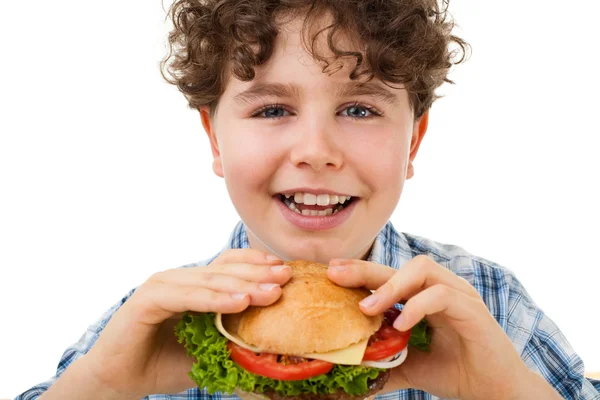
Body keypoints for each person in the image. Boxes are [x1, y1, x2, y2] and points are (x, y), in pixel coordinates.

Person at [16, 0, 600, 399]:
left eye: (359, 109)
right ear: (214, 138)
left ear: (414, 139)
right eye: (272, 110)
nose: (316, 151)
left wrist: (510, 391)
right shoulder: (152, 325)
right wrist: (101, 386)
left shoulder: (490, 304)